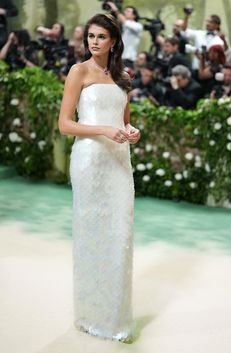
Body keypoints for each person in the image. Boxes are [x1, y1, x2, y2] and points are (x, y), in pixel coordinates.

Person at [58, 13, 140, 343]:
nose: (94, 42)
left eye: (101, 37)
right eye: (90, 36)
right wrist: (104, 130)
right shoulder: (78, 72)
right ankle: (91, 315)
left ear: (114, 41)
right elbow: (65, 124)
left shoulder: (124, 76)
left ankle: (116, 318)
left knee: (120, 235)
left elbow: (124, 121)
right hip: (90, 161)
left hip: (119, 162)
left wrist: (132, 131)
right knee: (92, 235)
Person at [107, 2, 143, 69]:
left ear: (134, 15)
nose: (125, 12)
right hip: (118, 59)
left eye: (128, 11)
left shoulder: (138, 26)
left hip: (128, 61)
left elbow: (125, 22)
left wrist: (116, 10)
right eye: (125, 11)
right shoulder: (123, 27)